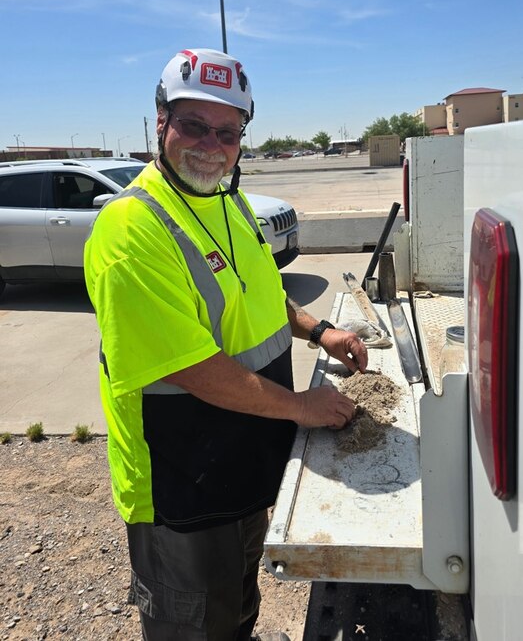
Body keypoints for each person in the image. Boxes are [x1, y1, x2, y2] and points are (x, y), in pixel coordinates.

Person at [84, 48, 368, 641]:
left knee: (237, 607)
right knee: (193, 623)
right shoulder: (131, 229)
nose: (212, 145)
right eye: (193, 126)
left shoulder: (227, 200)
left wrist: (318, 330)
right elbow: (192, 368)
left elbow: (258, 297)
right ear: (160, 121)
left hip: (239, 462)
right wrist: (301, 408)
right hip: (180, 481)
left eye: (228, 132)